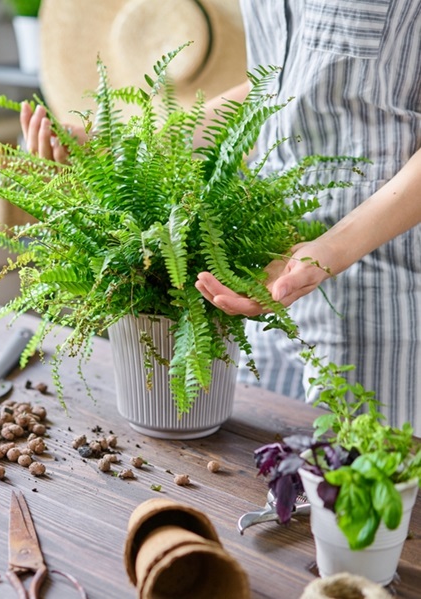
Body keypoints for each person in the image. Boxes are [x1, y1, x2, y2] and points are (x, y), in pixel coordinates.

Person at [21, 1, 421, 433]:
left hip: (378, 297)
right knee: (254, 483)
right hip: (258, 275)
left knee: (355, 490)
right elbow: (284, 86)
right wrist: (125, 146)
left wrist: (330, 250)